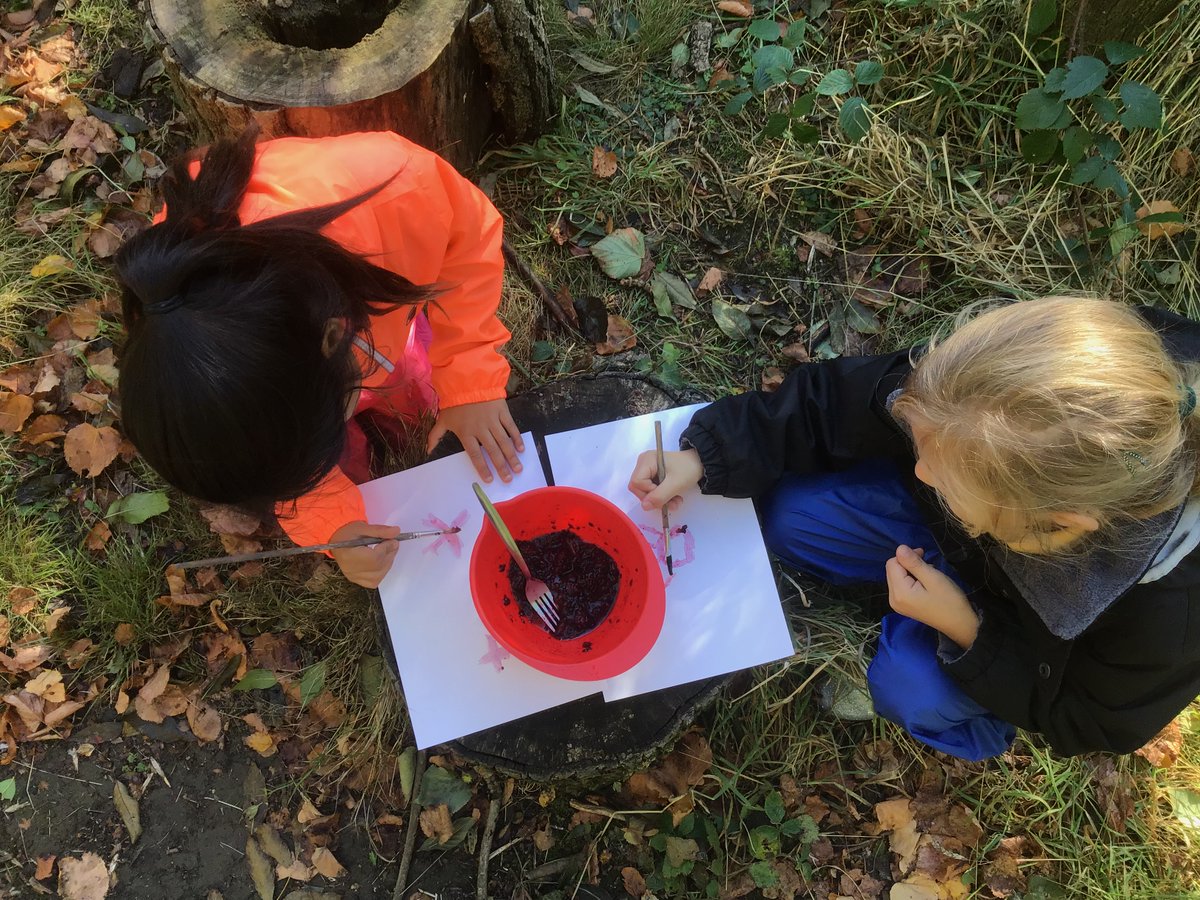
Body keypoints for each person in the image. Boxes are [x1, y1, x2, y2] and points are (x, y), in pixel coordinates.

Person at [629, 297, 1200, 759]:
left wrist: (967, 630)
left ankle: (975, 724)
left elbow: (1091, 721)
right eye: (923, 452)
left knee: (911, 689)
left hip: (1020, 643)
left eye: (944, 480)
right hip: (975, 543)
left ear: (1058, 524)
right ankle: (930, 574)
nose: (920, 470)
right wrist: (709, 454)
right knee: (791, 518)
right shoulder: (993, 392)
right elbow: (845, 400)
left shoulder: (1170, 617)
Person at [115, 130, 524, 588]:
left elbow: (470, 244)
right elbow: (274, 464)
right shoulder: (175, 319)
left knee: (414, 390)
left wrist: (468, 381)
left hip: (383, 330)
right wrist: (335, 528)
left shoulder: (402, 187)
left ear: (336, 337)